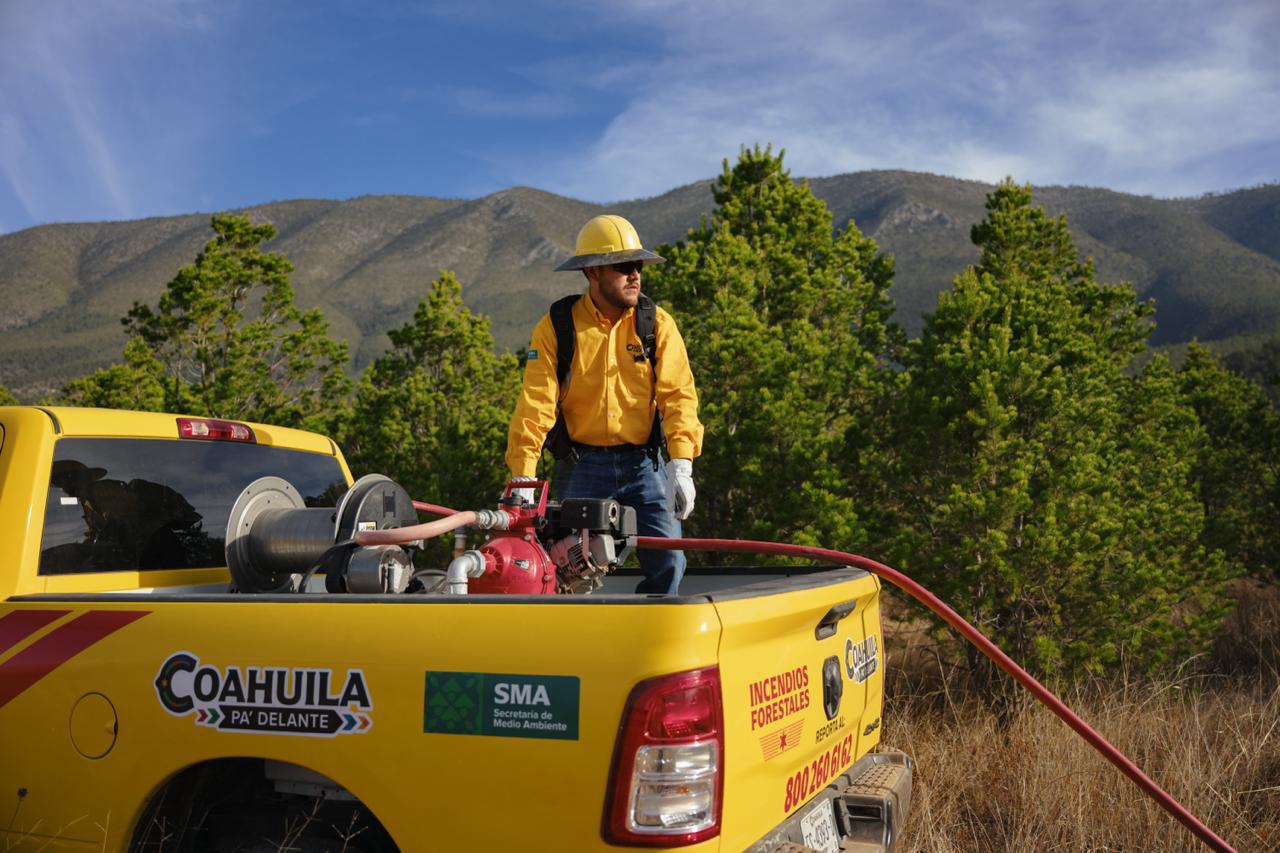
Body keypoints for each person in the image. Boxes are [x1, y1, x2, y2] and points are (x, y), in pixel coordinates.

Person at [505, 214, 703, 594]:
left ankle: (652, 641)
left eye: (638, 266)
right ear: (592, 272)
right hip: (581, 465)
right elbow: (535, 404)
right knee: (566, 566)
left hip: (644, 464)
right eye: (624, 266)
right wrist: (523, 478)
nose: (636, 275)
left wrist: (681, 464)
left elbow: (678, 396)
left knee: (669, 559)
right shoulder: (557, 326)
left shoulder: (656, 324)